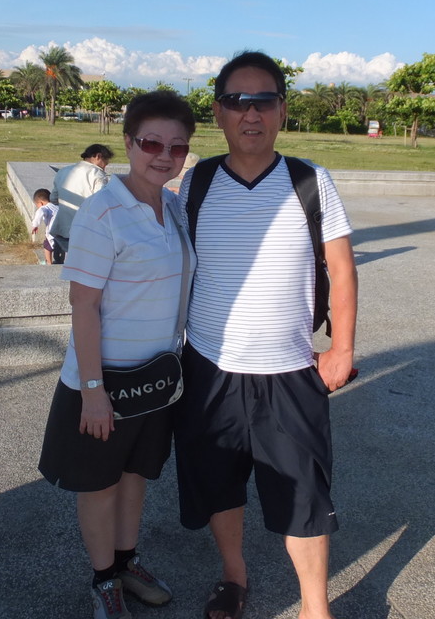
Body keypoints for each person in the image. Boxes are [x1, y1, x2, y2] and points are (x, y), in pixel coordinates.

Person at [174, 51, 358, 619]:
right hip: (210, 368)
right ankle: (234, 577)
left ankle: (315, 607)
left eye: (263, 101)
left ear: (282, 110)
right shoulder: (198, 181)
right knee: (218, 485)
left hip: (289, 370)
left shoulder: (310, 181)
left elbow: (342, 268)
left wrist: (342, 349)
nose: (249, 113)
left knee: (304, 495)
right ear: (218, 112)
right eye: (236, 101)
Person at [38, 92, 197, 619]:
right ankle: (104, 578)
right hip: (104, 381)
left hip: (157, 377)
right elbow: (83, 304)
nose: (163, 156)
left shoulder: (174, 207)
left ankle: (127, 562)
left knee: (134, 478)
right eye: (151, 143)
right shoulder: (103, 211)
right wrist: (93, 392)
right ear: (128, 143)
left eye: (177, 146)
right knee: (100, 485)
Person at [50, 144, 114, 255]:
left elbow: (53, 198)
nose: (104, 167)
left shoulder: (63, 171)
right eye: (105, 163)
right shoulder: (97, 174)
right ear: (98, 156)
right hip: (87, 232)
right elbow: (101, 203)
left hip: (63, 230)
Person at [29, 188, 59, 265]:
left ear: (41, 203)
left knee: (47, 246)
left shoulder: (44, 208)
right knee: (59, 247)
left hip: (52, 232)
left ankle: (48, 262)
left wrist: (35, 225)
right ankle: (60, 261)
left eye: (37, 205)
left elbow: (40, 212)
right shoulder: (56, 206)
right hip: (61, 231)